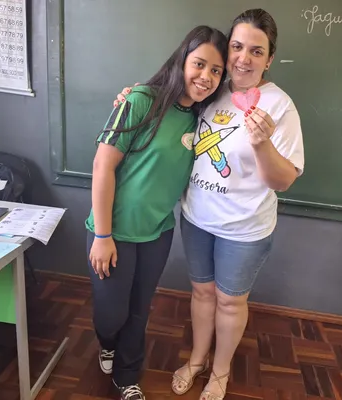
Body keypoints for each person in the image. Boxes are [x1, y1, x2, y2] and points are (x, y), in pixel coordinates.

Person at [113, 9, 305, 400]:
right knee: (201, 294)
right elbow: (166, 108)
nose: (243, 58)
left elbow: (283, 180)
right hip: (197, 218)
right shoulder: (211, 88)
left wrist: (261, 143)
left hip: (245, 227)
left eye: (256, 51)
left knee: (230, 302)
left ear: (269, 59)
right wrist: (130, 98)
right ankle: (197, 359)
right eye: (237, 47)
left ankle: (220, 372)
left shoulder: (280, 106)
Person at [85, 25, 229, 400]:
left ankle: (127, 377)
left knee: (139, 311)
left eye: (216, 70)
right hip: (112, 231)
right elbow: (103, 167)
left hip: (157, 232)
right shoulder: (140, 100)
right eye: (200, 64)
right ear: (182, 59)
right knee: (111, 316)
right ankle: (107, 344)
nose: (206, 77)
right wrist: (102, 235)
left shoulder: (203, 118)